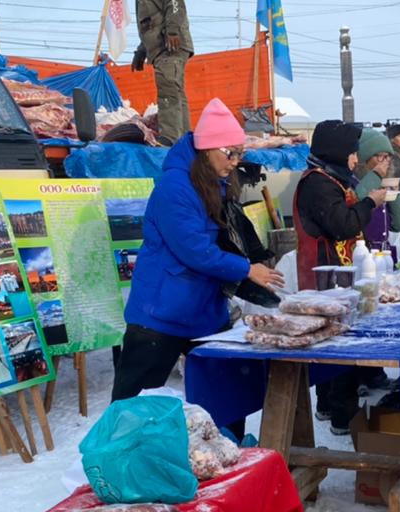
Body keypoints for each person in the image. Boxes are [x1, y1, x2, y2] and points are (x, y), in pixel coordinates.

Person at [114, 99, 284, 401]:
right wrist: (246, 270)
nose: (235, 162)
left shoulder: (217, 180)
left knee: (226, 398)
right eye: (230, 153)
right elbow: (195, 250)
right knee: (132, 410)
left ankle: (229, 447)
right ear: (208, 149)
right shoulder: (174, 187)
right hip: (160, 315)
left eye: (240, 153)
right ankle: (120, 450)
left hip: (205, 311)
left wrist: (254, 259)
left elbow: (229, 235)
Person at [295, 120, 386, 434]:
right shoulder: (317, 184)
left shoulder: (331, 179)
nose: (355, 159)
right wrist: (370, 202)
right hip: (324, 276)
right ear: (335, 151)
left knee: (334, 341)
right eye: (352, 152)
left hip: (337, 273)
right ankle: (340, 415)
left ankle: (330, 404)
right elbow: (343, 224)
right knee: (337, 344)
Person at [132, 0, 193, 145]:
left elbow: (175, 4)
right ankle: (183, 139)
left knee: (169, 92)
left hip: (170, 45)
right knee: (176, 93)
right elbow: (149, 24)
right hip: (163, 47)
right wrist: (141, 51)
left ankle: (170, 138)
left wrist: (172, 30)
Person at [356, 129, 400, 258]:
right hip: (363, 255)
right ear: (364, 159)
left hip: (385, 255)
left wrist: (395, 193)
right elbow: (359, 197)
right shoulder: (354, 184)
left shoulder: (383, 183)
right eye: (380, 156)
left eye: (387, 156)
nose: (385, 161)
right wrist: (376, 175)